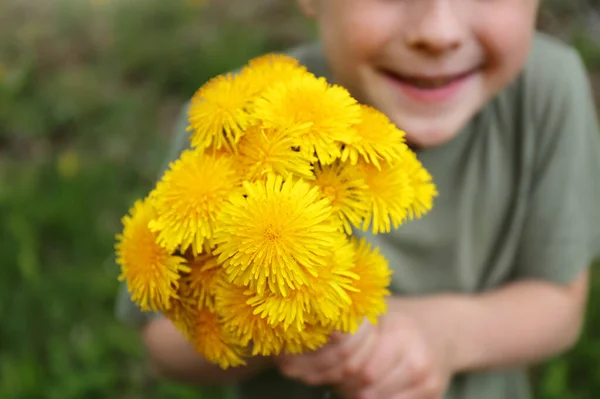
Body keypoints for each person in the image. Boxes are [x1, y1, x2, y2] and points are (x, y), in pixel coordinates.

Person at [115, 0, 600, 398]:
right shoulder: (232, 126)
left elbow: (560, 304)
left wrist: (445, 334)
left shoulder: (547, 93)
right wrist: (277, 332)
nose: (439, 30)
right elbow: (161, 342)